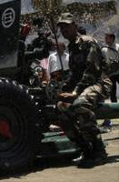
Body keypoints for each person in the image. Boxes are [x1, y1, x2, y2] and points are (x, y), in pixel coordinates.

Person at [56, 13, 112, 168]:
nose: (64, 30)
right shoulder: (72, 47)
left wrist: (75, 92)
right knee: (61, 109)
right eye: (61, 27)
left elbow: (91, 71)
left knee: (80, 105)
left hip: (99, 82)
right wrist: (63, 90)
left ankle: (99, 151)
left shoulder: (88, 42)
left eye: (67, 26)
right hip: (83, 84)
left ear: (75, 25)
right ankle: (86, 150)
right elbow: (74, 74)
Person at [101, 31, 119, 129]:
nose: (105, 39)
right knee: (112, 94)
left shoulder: (118, 47)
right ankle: (115, 113)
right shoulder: (103, 50)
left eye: (107, 38)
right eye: (105, 38)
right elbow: (102, 61)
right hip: (110, 74)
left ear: (112, 38)